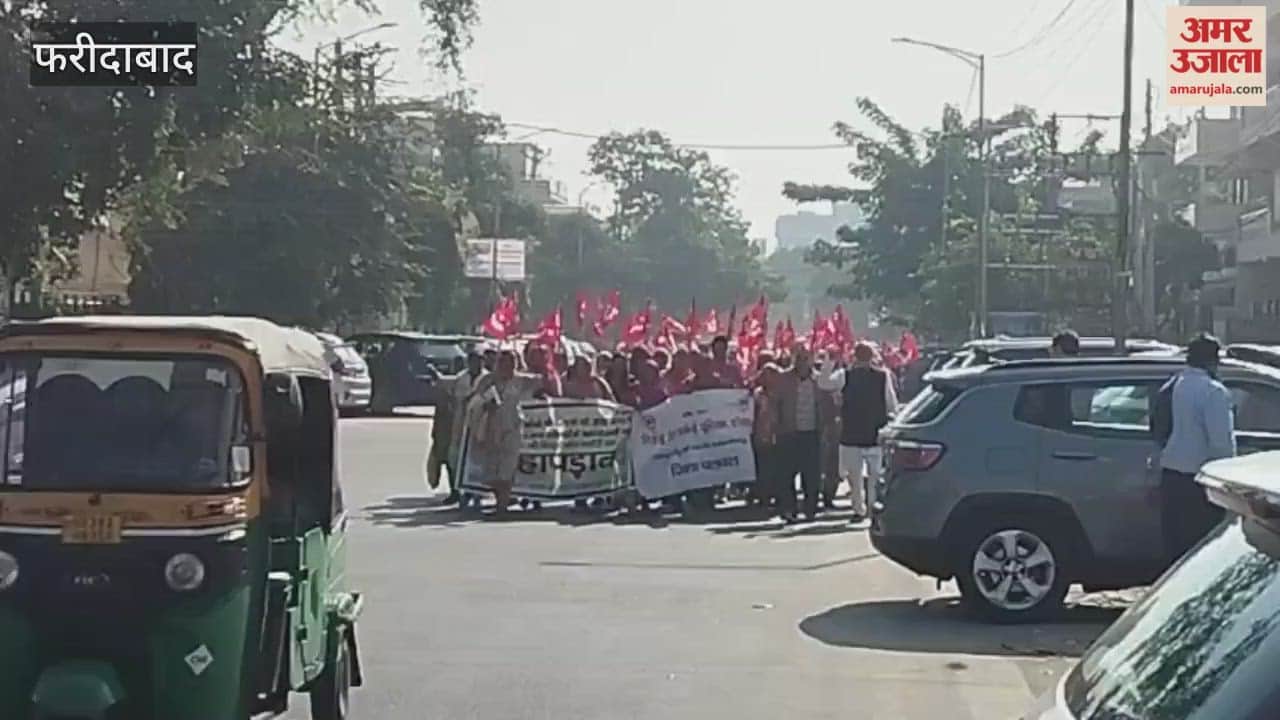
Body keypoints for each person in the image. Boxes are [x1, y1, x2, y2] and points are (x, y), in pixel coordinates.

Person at [1158, 333, 1235, 561]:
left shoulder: (1173, 385)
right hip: (1201, 481)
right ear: (1213, 360)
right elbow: (1221, 444)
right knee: (1203, 550)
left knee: (1176, 551)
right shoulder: (1213, 392)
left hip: (1171, 477)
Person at [819, 342, 899, 523]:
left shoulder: (846, 375)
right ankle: (869, 508)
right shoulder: (881, 376)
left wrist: (828, 363)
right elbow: (891, 403)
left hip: (853, 434)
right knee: (873, 476)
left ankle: (859, 509)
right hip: (872, 433)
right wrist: (893, 422)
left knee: (855, 477)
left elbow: (824, 383)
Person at [466, 350, 546, 517]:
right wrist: (485, 405)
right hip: (491, 428)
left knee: (507, 469)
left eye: (510, 362)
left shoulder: (522, 381)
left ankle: (502, 505)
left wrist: (545, 364)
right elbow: (474, 401)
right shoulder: (487, 381)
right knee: (491, 470)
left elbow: (543, 383)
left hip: (513, 429)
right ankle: (500, 498)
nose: (506, 365)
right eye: (503, 362)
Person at [429, 350, 487, 505]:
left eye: (479, 361)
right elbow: (446, 384)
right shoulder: (461, 378)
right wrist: (436, 375)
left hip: (481, 426)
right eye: (472, 361)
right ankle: (455, 491)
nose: (475, 364)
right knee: (453, 459)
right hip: (460, 425)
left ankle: (476, 493)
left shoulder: (488, 379)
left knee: (477, 461)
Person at [773, 347, 824, 522]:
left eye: (806, 358)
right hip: (789, 432)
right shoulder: (784, 378)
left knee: (811, 473)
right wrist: (776, 427)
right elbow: (775, 404)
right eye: (799, 358)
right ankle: (789, 509)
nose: (802, 361)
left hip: (812, 432)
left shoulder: (819, 380)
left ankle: (811, 509)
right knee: (786, 473)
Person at [750, 363, 782, 507]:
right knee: (763, 467)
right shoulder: (757, 394)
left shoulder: (781, 393)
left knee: (777, 467)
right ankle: (763, 495)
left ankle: (776, 494)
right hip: (761, 434)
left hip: (778, 434)